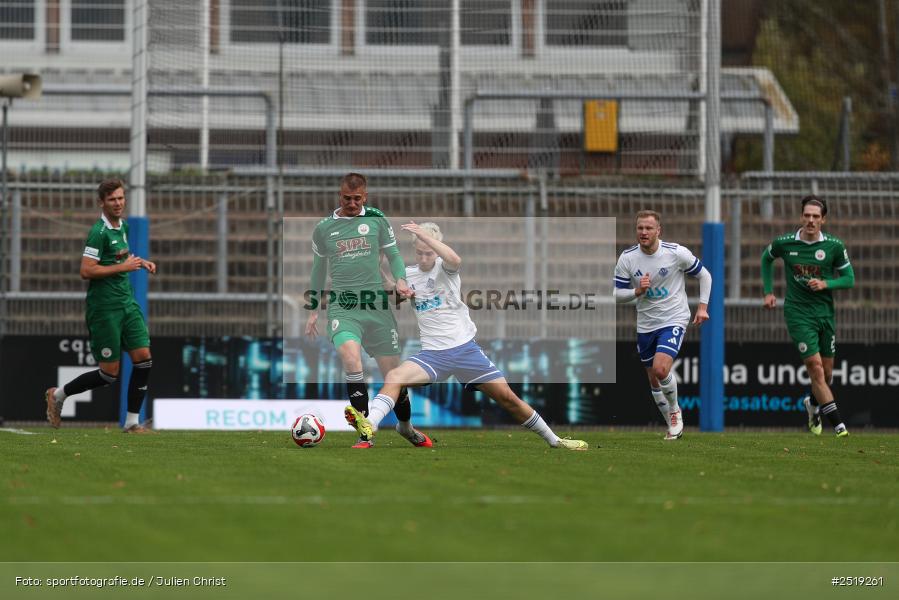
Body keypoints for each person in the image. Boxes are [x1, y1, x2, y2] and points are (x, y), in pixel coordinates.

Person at [344, 221, 588, 451]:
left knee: (508, 399)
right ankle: (371, 425)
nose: (424, 257)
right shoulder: (409, 275)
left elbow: (455, 259)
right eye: (419, 253)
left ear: (436, 250)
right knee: (395, 376)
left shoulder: (446, 268)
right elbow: (393, 294)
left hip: (465, 350)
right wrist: (377, 269)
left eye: (428, 253)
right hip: (433, 355)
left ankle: (555, 440)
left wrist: (425, 236)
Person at [304, 173, 426, 448]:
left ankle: (405, 426)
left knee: (393, 375)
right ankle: (365, 432)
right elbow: (318, 269)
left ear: (365, 196)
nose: (352, 203)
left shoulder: (376, 219)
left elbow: (393, 255)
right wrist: (313, 309)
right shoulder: (324, 228)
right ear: (340, 196)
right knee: (351, 359)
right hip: (344, 306)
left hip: (376, 306)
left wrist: (401, 280)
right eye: (347, 198)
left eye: (357, 199)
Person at [44, 179, 156, 433]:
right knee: (109, 374)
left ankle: (131, 423)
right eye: (112, 199)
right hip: (105, 309)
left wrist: (140, 262)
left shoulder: (123, 226)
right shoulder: (99, 232)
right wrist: (124, 267)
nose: (118, 203)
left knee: (144, 359)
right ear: (102, 203)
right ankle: (58, 395)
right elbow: (86, 270)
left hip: (126, 303)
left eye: (120, 198)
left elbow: (119, 257)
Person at [761, 195, 854, 437]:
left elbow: (849, 279)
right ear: (801, 216)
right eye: (807, 215)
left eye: (816, 216)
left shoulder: (834, 246)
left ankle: (812, 405)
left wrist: (826, 284)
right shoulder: (785, 243)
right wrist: (768, 292)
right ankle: (839, 426)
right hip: (798, 313)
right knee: (815, 368)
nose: (811, 220)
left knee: (827, 373)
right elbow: (766, 258)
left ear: (823, 219)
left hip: (825, 314)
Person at [614, 210, 711, 440]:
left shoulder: (675, 253)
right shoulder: (627, 258)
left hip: (674, 318)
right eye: (640, 228)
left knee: (660, 369)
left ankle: (675, 411)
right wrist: (638, 291)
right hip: (646, 323)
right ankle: (671, 422)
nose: (644, 232)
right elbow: (616, 294)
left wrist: (702, 307)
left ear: (659, 230)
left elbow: (705, 275)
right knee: (653, 378)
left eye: (649, 228)